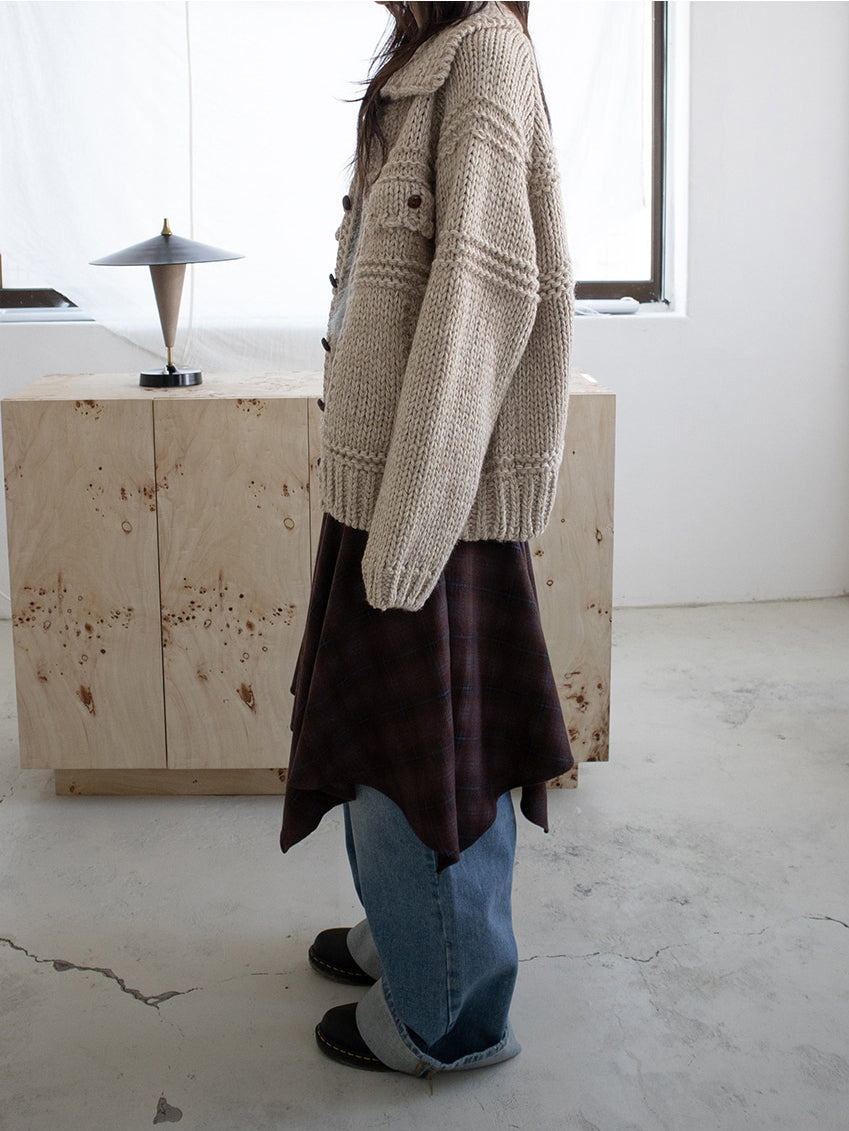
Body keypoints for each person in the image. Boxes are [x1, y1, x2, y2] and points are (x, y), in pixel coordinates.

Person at [279, 0, 574, 1076]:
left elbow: (479, 303)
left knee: (436, 763)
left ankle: (447, 1013)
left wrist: (412, 524)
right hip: (390, 482)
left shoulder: (485, 54)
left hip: (430, 500)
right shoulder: (431, 54)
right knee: (380, 748)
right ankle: (411, 941)